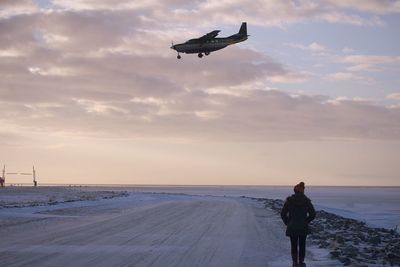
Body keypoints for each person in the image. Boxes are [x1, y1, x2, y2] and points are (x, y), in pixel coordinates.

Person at [281, 182, 316, 267]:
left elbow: (283, 214)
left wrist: (288, 222)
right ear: (303, 191)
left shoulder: (289, 201)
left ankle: (294, 263)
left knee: (294, 245)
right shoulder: (306, 201)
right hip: (303, 227)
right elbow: (313, 214)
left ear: (294, 191)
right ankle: (301, 262)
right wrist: (306, 221)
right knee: (302, 245)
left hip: (292, 226)